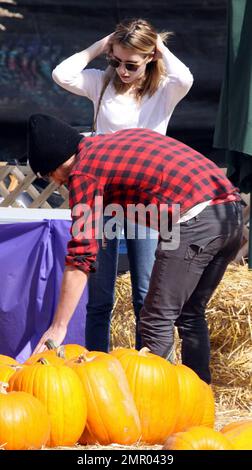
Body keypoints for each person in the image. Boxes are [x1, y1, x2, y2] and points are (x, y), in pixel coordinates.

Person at [29, 113, 243, 384]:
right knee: (189, 313)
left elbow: (81, 253)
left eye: (51, 174)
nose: (57, 183)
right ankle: (200, 399)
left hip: (196, 219)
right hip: (231, 214)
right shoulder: (117, 143)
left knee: (155, 320)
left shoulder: (83, 171)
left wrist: (58, 327)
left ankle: (167, 404)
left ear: (59, 161)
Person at [51, 18, 194, 352]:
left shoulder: (163, 91)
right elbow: (61, 74)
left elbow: (186, 77)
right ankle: (95, 366)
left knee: (145, 292)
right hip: (102, 195)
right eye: (116, 62)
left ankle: (153, 369)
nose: (123, 71)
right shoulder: (102, 83)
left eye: (131, 64)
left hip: (147, 199)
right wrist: (103, 45)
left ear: (150, 59)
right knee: (99, 295)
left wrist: (158, 46)